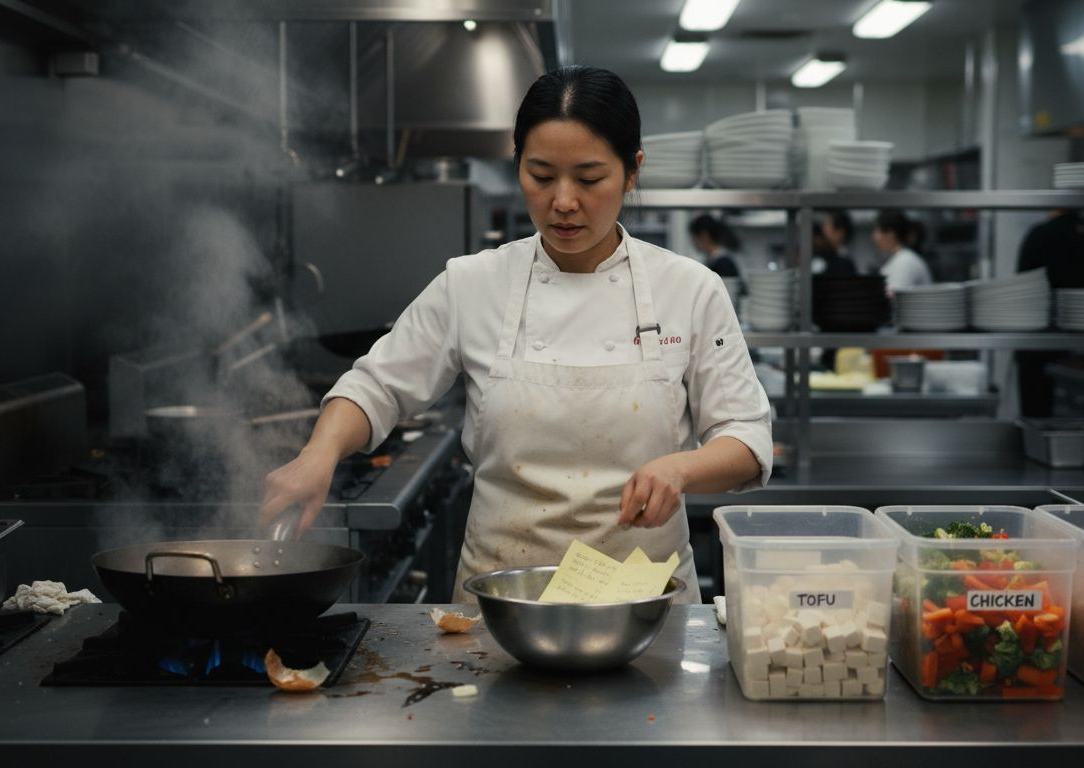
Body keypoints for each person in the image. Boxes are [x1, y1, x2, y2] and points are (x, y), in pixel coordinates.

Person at [260, 66, 771, 604]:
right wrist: (318, 454)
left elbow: (748, 436)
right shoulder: (472, 283)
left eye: (590, 178)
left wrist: (681, 468)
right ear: (518, 166)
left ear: (632, 172)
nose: (564, 201)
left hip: (647, 610)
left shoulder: (690, 290)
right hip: (497, 610)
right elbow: (376, 386)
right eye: (542, 175)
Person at [1015, 209, 1084, 417]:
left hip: (1040, 336)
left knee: (1037, 412)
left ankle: (1037, 447)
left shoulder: (1038, 234)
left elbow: (1022, 286)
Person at [872, 209, 932, 292]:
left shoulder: (904, 261)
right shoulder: (901, 258)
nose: (874, 237)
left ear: (890, 234)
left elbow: (895, 299)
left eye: (877, 231)